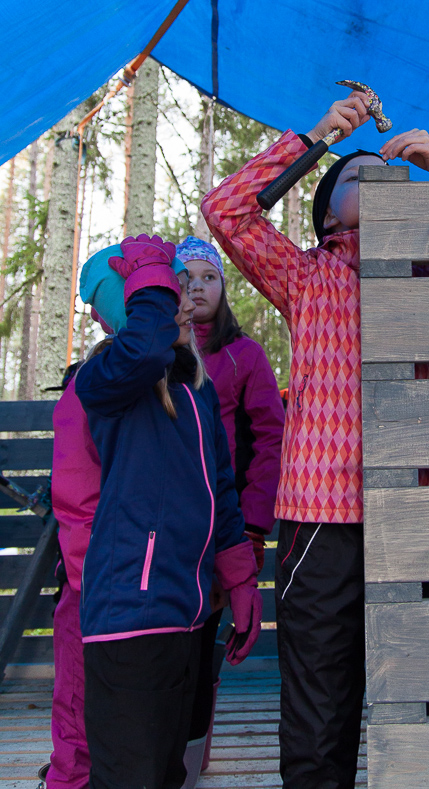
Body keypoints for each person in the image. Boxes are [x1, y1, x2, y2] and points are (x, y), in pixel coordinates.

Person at [201, 89, 429, 789]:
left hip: (417, 514)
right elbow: (226, 209)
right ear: (328, 213)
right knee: (319, 703)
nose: (374, 175)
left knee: (426, 691)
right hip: (319, 520)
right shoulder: (304, 276)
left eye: (385, 170)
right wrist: (315, 139)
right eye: (354, 175)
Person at [57, 235, 262, 789]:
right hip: (129, 617)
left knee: (168, 772)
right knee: (133, 776)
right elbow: (143, 352)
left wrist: (240, 580)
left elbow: (220, 492)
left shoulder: (194, 390)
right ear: (137, 305)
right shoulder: (103, 382)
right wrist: (150, 279)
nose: (185, 300)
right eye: (172, 290)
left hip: (184, 614)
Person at [175, 235, 285, 776]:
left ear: (224, 287)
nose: (197, 287)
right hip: (164, 530)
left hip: (222, 530)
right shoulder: (156, 352)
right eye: (185, 277)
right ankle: (155, 758)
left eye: (209, 277)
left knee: (201, 649)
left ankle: (191, 763)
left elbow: (270, 439)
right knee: (164, 647)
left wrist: (254, 526)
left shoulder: (244, 356)